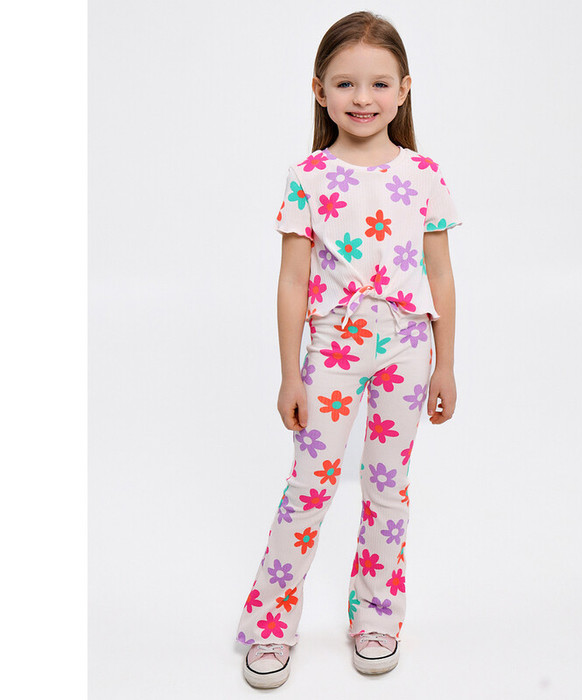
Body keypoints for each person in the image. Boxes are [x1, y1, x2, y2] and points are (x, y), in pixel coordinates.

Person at [236, 10, 463, 689]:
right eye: (345, 84)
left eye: (379, 84)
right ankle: (270, 624)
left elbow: (441, 273)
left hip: (407, 349)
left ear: (404, 89)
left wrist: (446, 363)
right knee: (310, 486)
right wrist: (290, 374)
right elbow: (292, 280)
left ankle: (377, 616)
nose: (362, 98)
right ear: (319, 90)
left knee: (387, 488)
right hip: (333, 348)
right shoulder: (308, 176)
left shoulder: (424, 174)